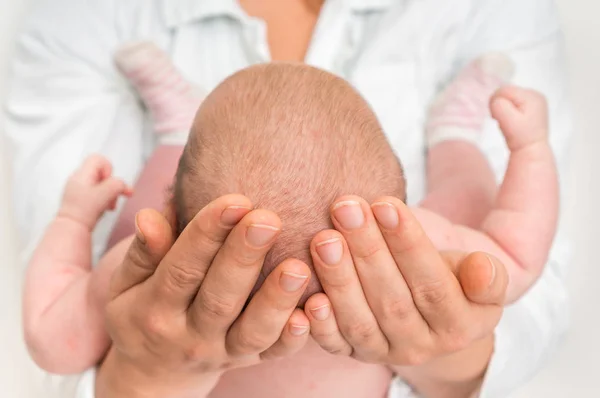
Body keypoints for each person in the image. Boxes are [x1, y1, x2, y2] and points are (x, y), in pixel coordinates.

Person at [4, 0, 571, 397]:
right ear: (400, 194)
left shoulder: (146, 260)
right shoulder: (430, 241)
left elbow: (50, 340)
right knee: (465, 193)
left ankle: (180, 130)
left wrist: (74, 218)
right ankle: (454, 132)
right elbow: (519, 250)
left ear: (175, 202)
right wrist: (530, 151)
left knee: (135, 226)